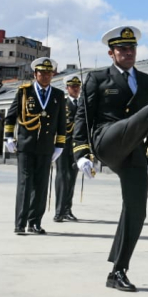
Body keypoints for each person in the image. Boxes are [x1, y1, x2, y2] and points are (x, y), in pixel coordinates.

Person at [73, 26, 148, 292]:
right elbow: (83, 116)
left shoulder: (147, 82)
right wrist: (81, 152)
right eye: (122, 49)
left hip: (134, 148)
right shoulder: (97, 79)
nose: (128, 52)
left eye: (132, 48)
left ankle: (118, 271)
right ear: (111, 53)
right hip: (107, 139)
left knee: (137, 210)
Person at [5, 58, 66, 235]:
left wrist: (59, 145)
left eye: (49, 73)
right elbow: (10, 117)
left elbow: (61, 122)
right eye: (42, 73)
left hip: (46, 148)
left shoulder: (58, 95)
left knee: (41, 186)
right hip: (26, 146)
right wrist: (9, 137)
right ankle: (20, 223)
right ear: (35, 74)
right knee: (25, 184)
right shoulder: (24, 92)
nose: (46, 76)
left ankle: (35, 223)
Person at [53, 75, 82, 223]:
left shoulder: (84, 104)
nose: (75, 89)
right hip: (63, 146)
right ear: (67, 88)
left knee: (72, 178)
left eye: (77, 86)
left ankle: (67, 209)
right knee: (62, 177)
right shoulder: (61, 104)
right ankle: (59, 211)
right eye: (72, 86)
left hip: (78, 146)